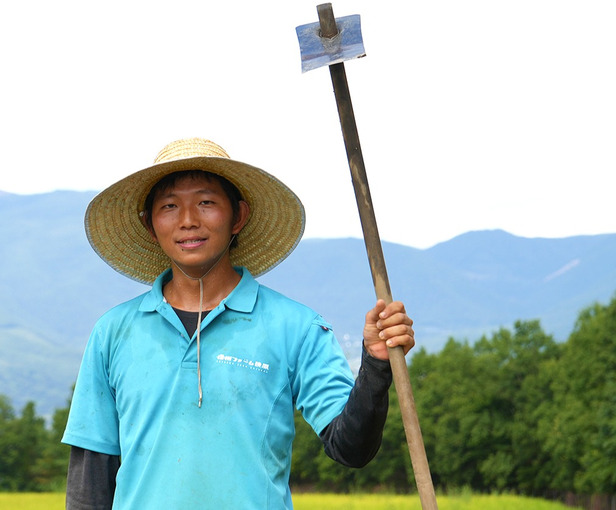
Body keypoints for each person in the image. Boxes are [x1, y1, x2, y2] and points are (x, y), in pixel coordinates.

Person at [62, 138, 416, 510]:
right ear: (151, 225)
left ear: (239, 216)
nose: (187, 220)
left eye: (206, 202)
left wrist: (376, 364)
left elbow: (351, 447)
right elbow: (91, 479)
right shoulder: (113, 332)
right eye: (169, 206)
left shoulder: (295, 327)